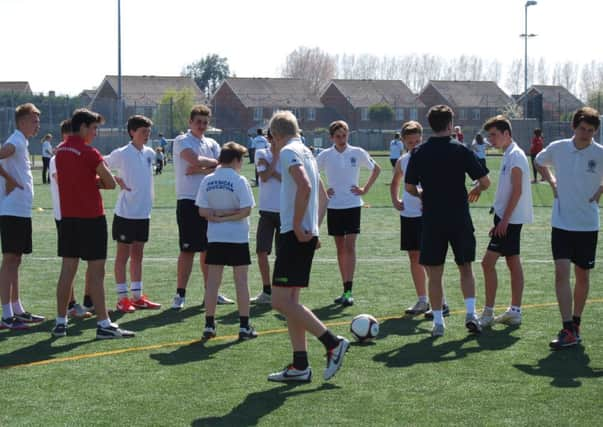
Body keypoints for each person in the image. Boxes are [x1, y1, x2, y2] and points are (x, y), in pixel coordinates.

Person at [267, 110, 349, 383]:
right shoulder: (307, 152)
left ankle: (332, 342)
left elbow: (305, 187)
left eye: (271, 139)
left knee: (279, 301)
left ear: (276, 135)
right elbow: (323, 197)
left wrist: (301, 226)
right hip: (303, 233)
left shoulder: (289, 151)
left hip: (294, 234)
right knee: (291, 302)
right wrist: (313, 229)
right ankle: (300, 365)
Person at [405, 105, 490, 338]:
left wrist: (423, 194)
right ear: (451, 125)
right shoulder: (461, 150)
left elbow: (410, 187)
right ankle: (471, 315)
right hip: (459, 217)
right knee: (465, 267)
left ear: (430, 125)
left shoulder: (419, 152)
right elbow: (485, 182)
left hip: (432, 219)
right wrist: (475, 189)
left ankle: (439, 323)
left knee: (434, 273)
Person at [53, 108, 134, 339]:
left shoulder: (60, 150)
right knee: (96, 273)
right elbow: (109, 183)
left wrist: (89, 180)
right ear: (83, 127)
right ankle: (104, 324)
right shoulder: (90, 152)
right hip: (91, 218)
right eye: (94, 128)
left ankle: (61, 323)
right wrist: (95, 181)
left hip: (68, 219)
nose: (96, 133)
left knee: (67, 270)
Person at [535, 107, 603, 349]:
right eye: (582, 129)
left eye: (591, 131)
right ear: (574, 127)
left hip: (587, 225)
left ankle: (576, 323)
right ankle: (567, 327)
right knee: (561, 272)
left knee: (582, 275)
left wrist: (599, 191)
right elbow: (539, 160)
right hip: (561, 223)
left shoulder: (599, 153)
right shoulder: (559, 147)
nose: (586, 134)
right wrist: (551, 180)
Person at [172, 105, 233, 310]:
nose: (202, 125)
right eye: (198, 121)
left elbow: (222, 166)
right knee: (188, 250)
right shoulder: (182, 140)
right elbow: (193, 160)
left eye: (205, 122)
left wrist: (199, 168)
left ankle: (212, 292)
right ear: (190, 122)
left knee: (209, 249)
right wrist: (208, 165)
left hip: (210, 201)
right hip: (189, 201)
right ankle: (180, 294)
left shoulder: (212, 143)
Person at [196, 142, 257, 340]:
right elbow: (246, 210)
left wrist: (217, 216)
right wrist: (228, 215)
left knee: (213, 282)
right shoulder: (240, 180)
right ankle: (244, 326)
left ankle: (209, 324)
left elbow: (202, 211)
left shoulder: (207, 180)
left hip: (215, 237)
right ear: (236, 160)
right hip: (237, 237)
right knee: (241, 281)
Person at [317, 120, 381, 306]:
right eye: (338, 136)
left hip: (353, 205)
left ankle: (348, 290)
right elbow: (311, 172)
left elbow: (376, 169)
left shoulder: (357, 152)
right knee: (340, 248)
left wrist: (364, 189)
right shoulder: (325, 155)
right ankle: (344, 286)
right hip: (334, 206)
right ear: (331, 137)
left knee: (350, 246)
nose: (341, 139)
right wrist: (323, 191)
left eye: (344, 135)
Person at [478, 116, 533, 328]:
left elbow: (517, 190)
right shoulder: (510, 154)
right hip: (506, 219)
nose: (490, 139)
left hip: (510, 221)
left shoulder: (516, 156)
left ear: (506, 134)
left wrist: (505, 221)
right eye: (489, 135)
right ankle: (515, 311)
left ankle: (488, 313)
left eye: (494, 134)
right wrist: (500, 218)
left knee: (487, 263)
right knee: (512, 261)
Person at [105, 115, 161, 314]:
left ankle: (137, 297)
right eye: (143, 132)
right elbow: (101, 164)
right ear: (132, 132)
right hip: (125, 214)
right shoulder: (122, 153)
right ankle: (122, 299)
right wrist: (114, 178)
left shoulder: (149, 153)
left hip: (143, 214)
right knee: (123, 256)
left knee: (138, 255)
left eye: (148, 132)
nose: (146, 135)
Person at [0, 103, 45, 330]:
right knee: (9, 261)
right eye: (34, 120)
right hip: (11, 210)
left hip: (20, 209)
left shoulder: (22, 141)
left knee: (16, 260)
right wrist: (8, 179)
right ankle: (6, 316)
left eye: (38, 120)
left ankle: (17, 309)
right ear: (22, 122)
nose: (37, 124)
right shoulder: (15, 141)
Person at [50, 119, 92, 319]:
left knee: (81, 262)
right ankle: (70, 305)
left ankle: (83, 302)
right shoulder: (58, 157)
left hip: (76, 214)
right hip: (65, 215)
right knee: (70, 264)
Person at [390, 121, 430, 316]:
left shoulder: (429, 158)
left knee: (430, 259)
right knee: (414, 257)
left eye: (417, 140)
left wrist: (427, 197)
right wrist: (395, 200)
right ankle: (422, 300)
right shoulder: (402, 160)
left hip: (426, 215)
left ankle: (442, 302)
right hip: (408, 215)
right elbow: (395, 181)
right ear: (404, 141)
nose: (414, 144)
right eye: (410, 141)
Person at [251, 129, 281, 305]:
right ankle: (267, 290)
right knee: (261, 251)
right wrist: (275, 160)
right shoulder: (262, 152)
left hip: (284, 210)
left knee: (282, 253)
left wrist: (272, 171)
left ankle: (279, 290)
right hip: (267, 210)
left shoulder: (288, 153)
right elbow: (263, 176)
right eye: (273, 137)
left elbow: (288, 179)